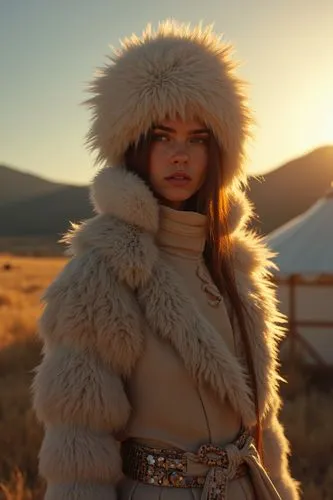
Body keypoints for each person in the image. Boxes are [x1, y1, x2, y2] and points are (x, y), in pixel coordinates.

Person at [32, 20, 300, 500]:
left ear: (218, 151)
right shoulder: (103, 272)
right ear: (134, 146)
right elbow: (78, 445)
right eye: (163, 135)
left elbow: (265, 427)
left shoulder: (237, 269)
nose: (181, 155)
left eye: (198, 138)